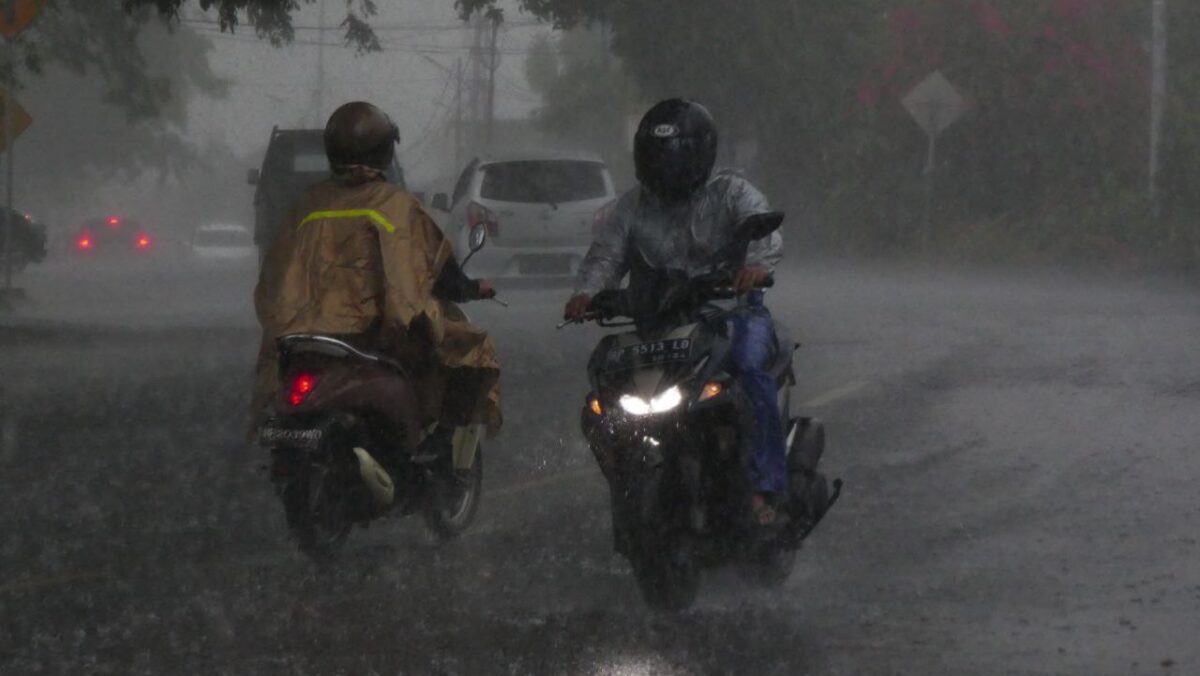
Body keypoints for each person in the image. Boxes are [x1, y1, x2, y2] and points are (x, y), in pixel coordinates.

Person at [563, 98, 786, 524]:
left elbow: (763, 230)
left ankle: (764, 490)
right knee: (603, 392)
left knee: (749, 373)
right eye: (655, 155)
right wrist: (587, 294)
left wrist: (754, 268)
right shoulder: (632, 207)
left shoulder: (731, 191)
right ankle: (628, 482)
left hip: (732, 314)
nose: (664, 165)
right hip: (662, 323)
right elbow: (605, 257)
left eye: (674, 154)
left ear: (699, 153)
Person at [252, 101, 502, 446]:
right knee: (467, 351)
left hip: (303, 337)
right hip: (376, 337)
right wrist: (470, 287)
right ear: (384, 152)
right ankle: (431, 440)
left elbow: (273, 279)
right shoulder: (397, 206)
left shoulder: (306, 206)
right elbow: (434, 270)